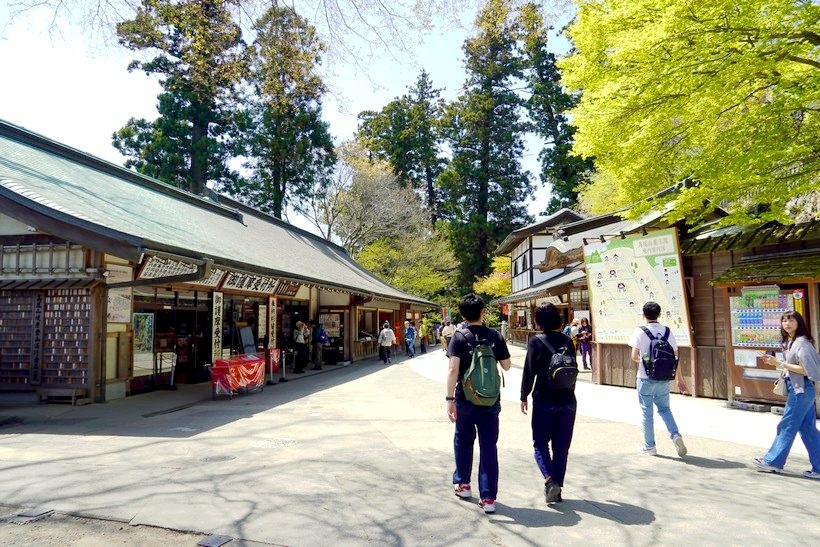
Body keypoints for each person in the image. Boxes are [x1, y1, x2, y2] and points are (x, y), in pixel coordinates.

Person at [446, 293, 512, 515]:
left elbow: (453, 369)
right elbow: (507, 366)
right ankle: (488, 498)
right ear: (483, 312)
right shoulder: (494, 336)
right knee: (488, 447)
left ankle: (463, 484)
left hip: (465, 400)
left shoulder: (459, 336)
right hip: (490, 401)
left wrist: (449, 399)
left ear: (463, 314)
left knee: (463, 441)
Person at [520, 303, 577, 504]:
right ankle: (557, 489)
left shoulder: (536, 341)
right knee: (562, 447)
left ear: (538, 320)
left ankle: (550, 480)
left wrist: (523, 395)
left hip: (544, 399)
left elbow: (529, 371)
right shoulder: (568, 341)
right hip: (568, 400)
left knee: (540, 443)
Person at [754, 310, 820, 478]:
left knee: (787, 425)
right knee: (808, 430)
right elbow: (791, 367)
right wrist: (776, 365)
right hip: (798, 389)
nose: (787, 324)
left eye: (791, 320)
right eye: (784, 321)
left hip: (801, 390)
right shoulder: (791, 342)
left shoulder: (802, 343)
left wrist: (780, 363)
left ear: (799, 323)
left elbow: (808, 370)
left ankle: (773, 461)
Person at [628, 301, 687, 457]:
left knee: (647, 413)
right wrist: (679, 379)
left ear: (643, 315)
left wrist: (644, 361)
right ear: (660, 314)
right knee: (665, 409)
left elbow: (634, 356)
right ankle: (675, 435)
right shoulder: (667, 331)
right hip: (664, 379)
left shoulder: (640, 331)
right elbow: (676, 356)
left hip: (645, 378)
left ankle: (650, 447)